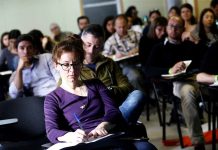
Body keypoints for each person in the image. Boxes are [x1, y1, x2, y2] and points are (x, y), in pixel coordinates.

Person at [44, 35, 157, 150]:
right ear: (56, 65)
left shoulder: (95, 84)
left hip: (109, 133)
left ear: (81, 64)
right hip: (85, 142)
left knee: (147, 147)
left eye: (76, 64)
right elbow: (51, 131)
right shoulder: (53, 98)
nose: (72, 70)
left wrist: (103, 125)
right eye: (66, 65)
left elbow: (113, 110)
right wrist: (71, 136)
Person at [146, 16, 205, 150]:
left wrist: (195, 40)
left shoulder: (188, 44)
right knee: (187, 92)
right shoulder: (159, 47)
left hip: (197, 78)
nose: (173, 29)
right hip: (177, 83)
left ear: (182, 29)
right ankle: (198, 142)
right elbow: (148, 70)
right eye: (171, 26)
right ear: (166, 28)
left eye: (177, 26)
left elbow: (205, 60)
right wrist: (170, 69)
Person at [81, 24, 146, 124]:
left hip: (114, 107)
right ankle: (117, 124)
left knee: (138, 94)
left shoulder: (109, 63)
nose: (91, 51)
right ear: (81, 42)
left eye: (97, 47)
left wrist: (109, 90)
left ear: (102, 46)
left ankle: (113, 124)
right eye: (88, 45)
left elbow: (126, 87)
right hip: (91, 112)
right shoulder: (73, 66)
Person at [103, 14, 147, 94]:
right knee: (135, 76)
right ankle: (142, 99)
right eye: (119, 27)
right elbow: (104, 57)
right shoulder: (110, 41)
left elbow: (147, 46)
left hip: (142, 62)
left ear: (127, 25)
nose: (122, 29)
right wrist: (114, 56)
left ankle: (153, 96)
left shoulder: (136, 34)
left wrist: (138, 49)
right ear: (114, 27)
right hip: (124, 66)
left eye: (124, 26)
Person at [9, 34, 59, 98]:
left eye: (29, 47)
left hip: (57, 93)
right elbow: (14, 94)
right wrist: (19, 69)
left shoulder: (46, 58)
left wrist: (58, 95)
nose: (26, 52)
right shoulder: (16, 74)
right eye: (22, 48)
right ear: (16, 50)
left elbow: (60, 78)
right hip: (38, 101)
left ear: (34, 49)